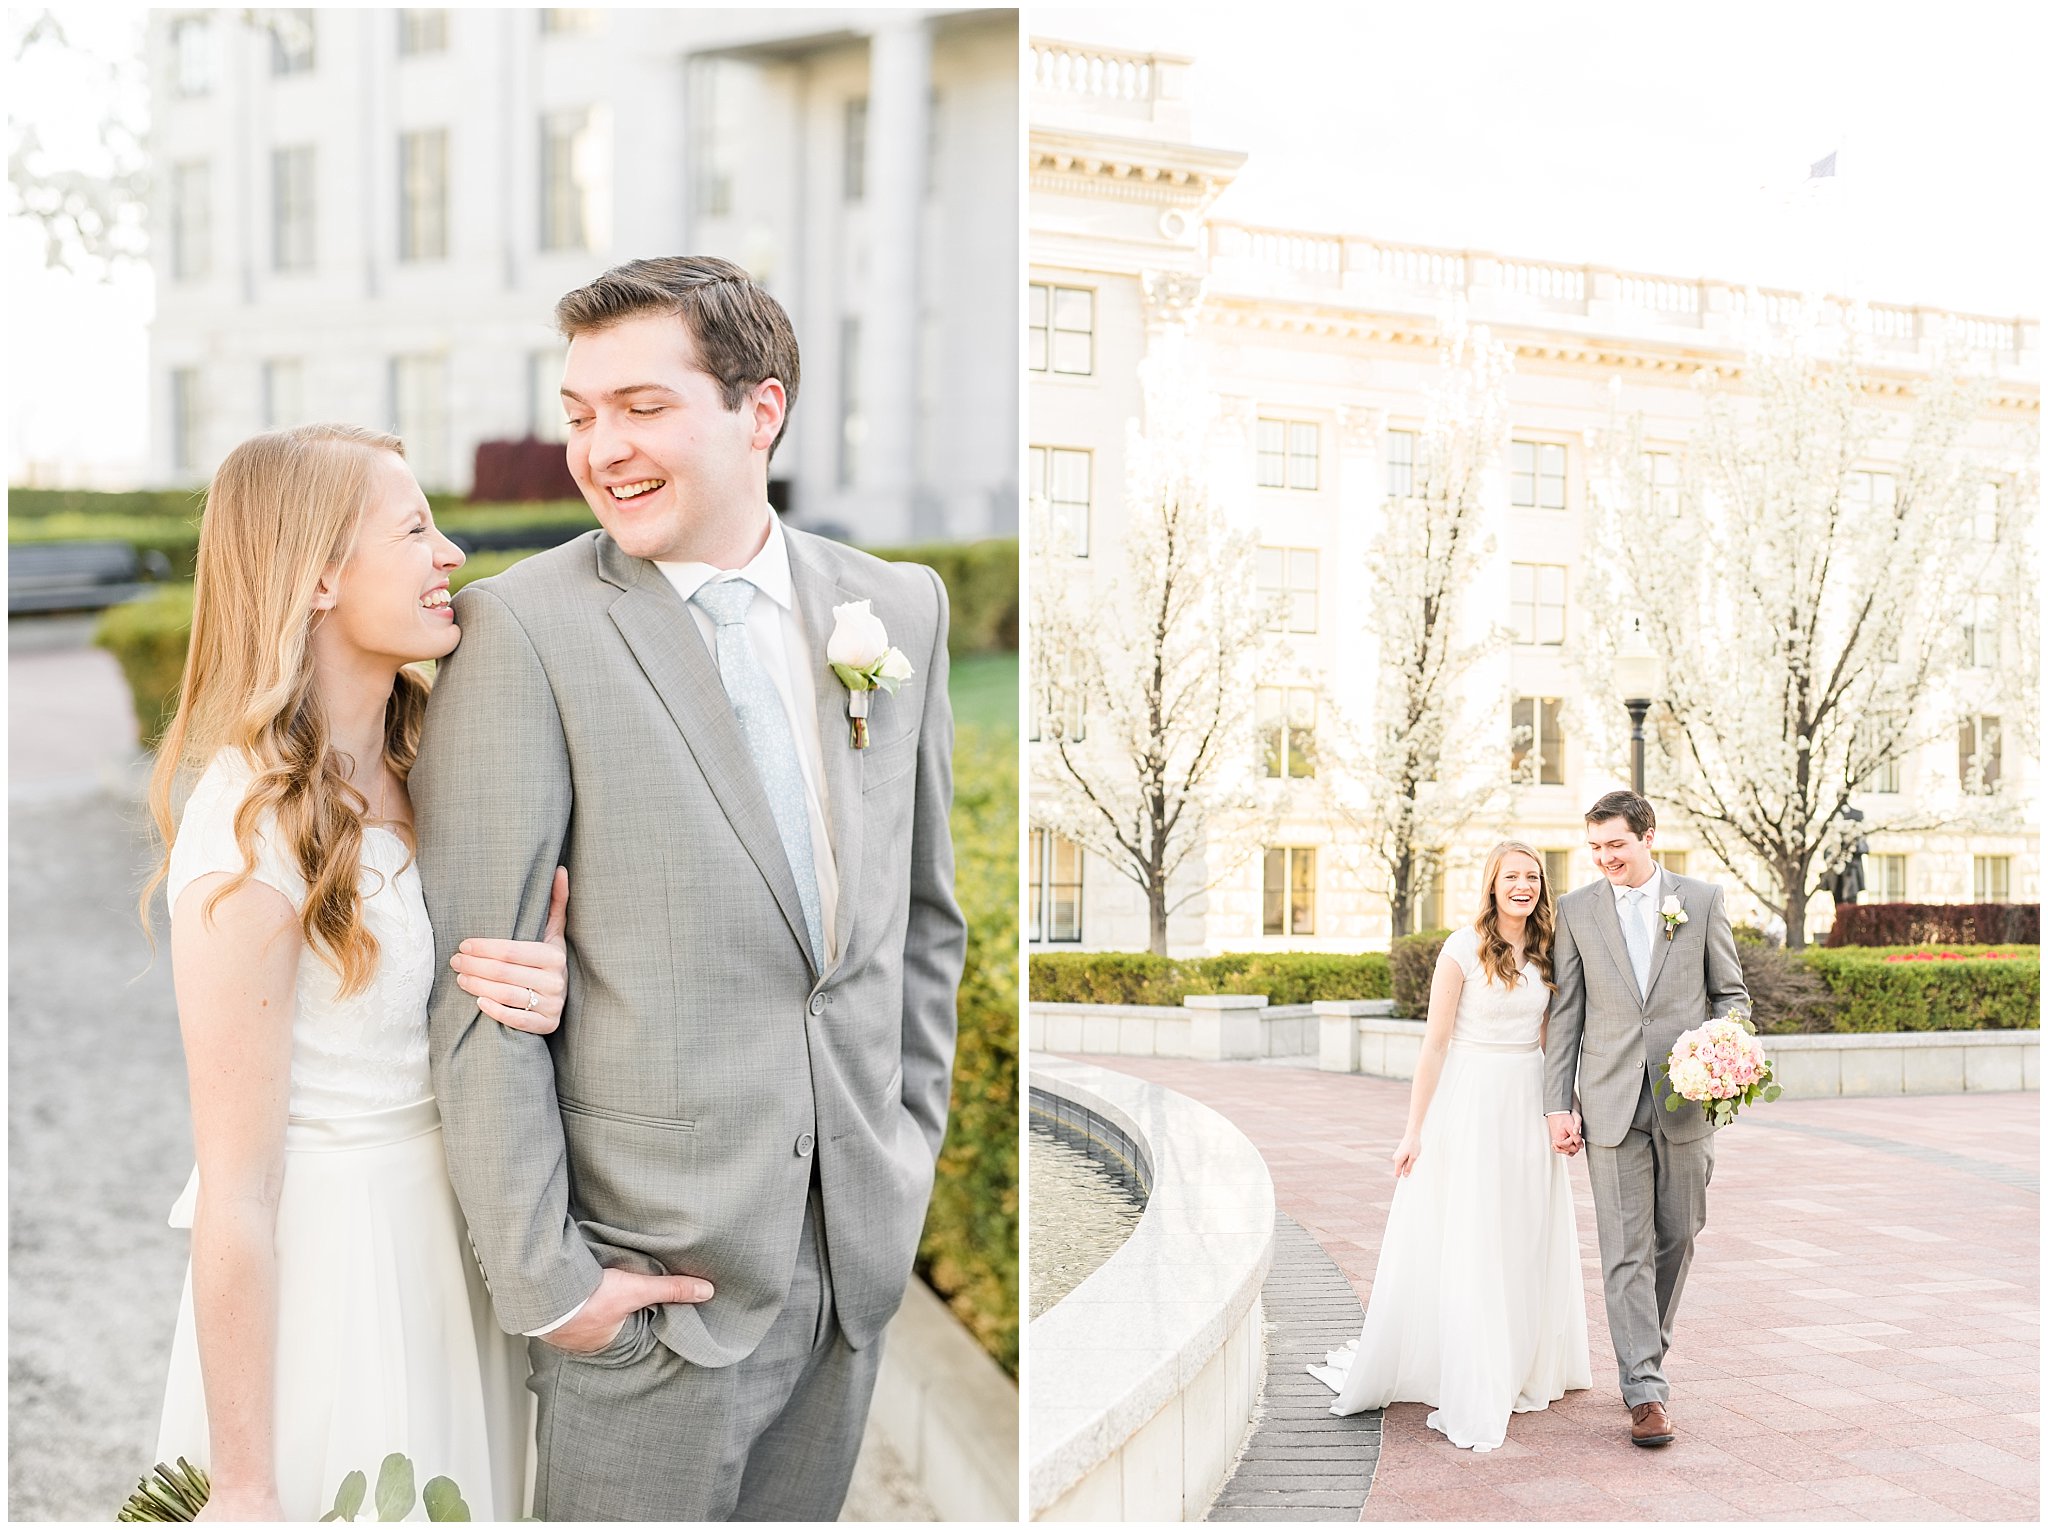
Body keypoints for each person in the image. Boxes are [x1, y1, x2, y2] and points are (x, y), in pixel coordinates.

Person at [410, 256, 965, 1521]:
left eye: (641, 407)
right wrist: (554, 1284)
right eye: (580, 413)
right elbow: (477, 987)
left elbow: (921, 923)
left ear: (757, 410)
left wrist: (904, 1152)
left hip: (851, 1269)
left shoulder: (895, 610)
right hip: (645, 1293)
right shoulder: (523, 630)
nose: (601, 448)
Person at [146, 425, 692, 1521]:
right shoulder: (247, 838)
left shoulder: (438, 756)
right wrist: (246, 1486)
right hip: (345, 1277)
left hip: (467, 1241)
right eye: (413, 528)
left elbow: (469, 997)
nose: (450, 554)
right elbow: (238, 1192)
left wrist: (541, 983)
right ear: (316, 577)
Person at [1310, 841, 1591, 1451]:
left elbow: (1554, 1039)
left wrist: (1562, 1110)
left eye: (1533, 876)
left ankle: (1521, 1360)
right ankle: (1471, 1365)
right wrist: (1413, 1130)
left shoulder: (1549, 951)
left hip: (1526, 1101)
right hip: (1468, 1102)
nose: (1524, 885)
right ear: (1491, 884)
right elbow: (1434, 1045)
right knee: (1474, 1232)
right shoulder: (1461, 949)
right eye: (1512, 876)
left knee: (1522, 1231)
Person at [1544, 790, 1749, 1447]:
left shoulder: (1701, 900)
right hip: (1608, 1103)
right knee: (1624, 1250)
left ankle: (1644, 1353)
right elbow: (1567, 1014)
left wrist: (1724, 1051)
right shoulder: (1575, 912)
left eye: (1617, 846)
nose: (1606, 858)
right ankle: (1644, 1390)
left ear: (1648, 837)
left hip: (1687, 1099)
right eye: (1596, 848)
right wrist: (1557, 1103)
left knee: (1680, 1233)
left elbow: (1731, 996)